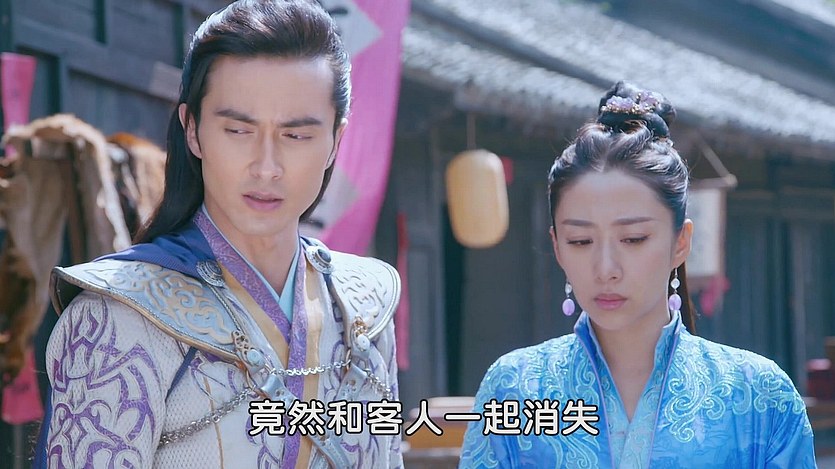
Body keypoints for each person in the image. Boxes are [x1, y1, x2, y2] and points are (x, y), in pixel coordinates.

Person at [35, 1, 403, 467]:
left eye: (296, 136)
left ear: (335, 141)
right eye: (237, 130)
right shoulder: (117, 318)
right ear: (193, 130)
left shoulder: (365, 307)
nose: (266, 167)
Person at [458, 82, 815, 468]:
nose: (606, 269)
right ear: (557, 246)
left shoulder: (760, 394)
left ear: (681, 242)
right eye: (581, 241)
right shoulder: (513, 387)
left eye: (633, 239)